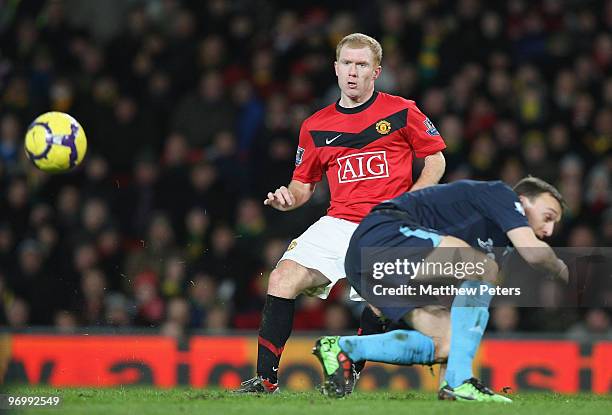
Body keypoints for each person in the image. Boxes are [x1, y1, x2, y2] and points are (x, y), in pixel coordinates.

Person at [236, 33, 447, 393]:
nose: (352, 71)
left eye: (361, 65)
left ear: (375, 72)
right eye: (346, 63)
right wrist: (289, 198)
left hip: (387, 225)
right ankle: (265, 381)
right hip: (339, 222)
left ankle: (345, 379)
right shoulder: (315, 125)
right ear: (335, 69)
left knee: (379, 303)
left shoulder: (402, 110)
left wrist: (411, 200)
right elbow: (303, 185)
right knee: (282, 278)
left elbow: (436, 160)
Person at [313, 177, 569, 402]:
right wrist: (560, 268)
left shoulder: (496, 244)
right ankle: (460, 382)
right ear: (523, 202)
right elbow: (533, 253)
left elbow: (463, 299)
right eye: (548, 217)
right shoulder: (502, 194)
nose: (549, 230)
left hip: (370, 266)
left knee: (448, 342)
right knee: (484, 267)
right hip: (385, 232)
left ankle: (343, 347)